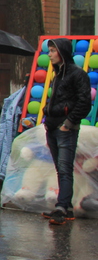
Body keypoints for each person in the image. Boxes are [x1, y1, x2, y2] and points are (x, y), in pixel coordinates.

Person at [37, 38, 91, 225]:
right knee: (61, 169)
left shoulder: (77, 74)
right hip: (52, 127)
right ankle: (64, 206)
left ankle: (62, 208)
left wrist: (68, 123)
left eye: (53, 51)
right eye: (49, 51)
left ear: (62, 52)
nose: (49, 54)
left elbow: (84, 103)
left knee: (65, 168)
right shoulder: (57, 75)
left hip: (65, 129)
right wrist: (47, 118)